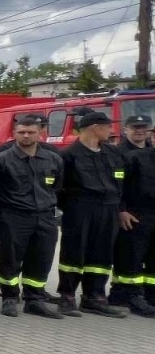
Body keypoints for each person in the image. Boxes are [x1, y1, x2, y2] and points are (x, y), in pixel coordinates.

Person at [0, 114, 64, 318]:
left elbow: (56, 187)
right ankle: (10, 298)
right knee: (10, 259)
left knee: (41, 259)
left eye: (31, 132)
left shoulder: (53, 159)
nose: (26, 136)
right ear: (14, 134)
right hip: (13, 217)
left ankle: (35, 300)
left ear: (41, 134)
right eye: (21, 132)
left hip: (45, 217)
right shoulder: (1, 161)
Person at [56, 109, 128, 317]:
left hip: (108, 208)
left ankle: (94, 297)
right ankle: (67, 296)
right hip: (80, 208)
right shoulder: (68, 155)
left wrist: (119, 208)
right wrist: (71, 208)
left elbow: (121, 182)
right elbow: (60, 188)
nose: (111, 130)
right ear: (94, 128)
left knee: (102, 252)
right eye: (107, 126)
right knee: (73, 252)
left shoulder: (113, 153)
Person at [112, 114, 155, 317]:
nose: (139, 131)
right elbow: (119, 187)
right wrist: (122, 210)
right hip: (136, 214)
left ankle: (149, 296)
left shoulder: (148, 153)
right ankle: (130, 295)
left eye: (143, 127)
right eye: (135, 127)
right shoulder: (126, 155)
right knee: (131, 257)